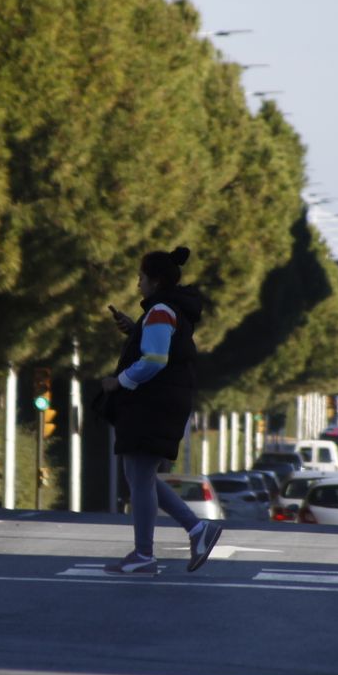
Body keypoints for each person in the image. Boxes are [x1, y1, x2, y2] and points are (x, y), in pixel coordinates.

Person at [99, 246, 222, 574]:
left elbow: (155, 359)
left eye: (141, 278)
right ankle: (197, 530)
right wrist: (133, 329)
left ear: (154, 280)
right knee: (140, 476)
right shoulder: (167, 310)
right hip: (164, 402)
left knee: (139, 477)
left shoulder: (160, 311)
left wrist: (120, 381)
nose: (137, 284)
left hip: (153, 404)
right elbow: (159, 345)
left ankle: (145, 554)